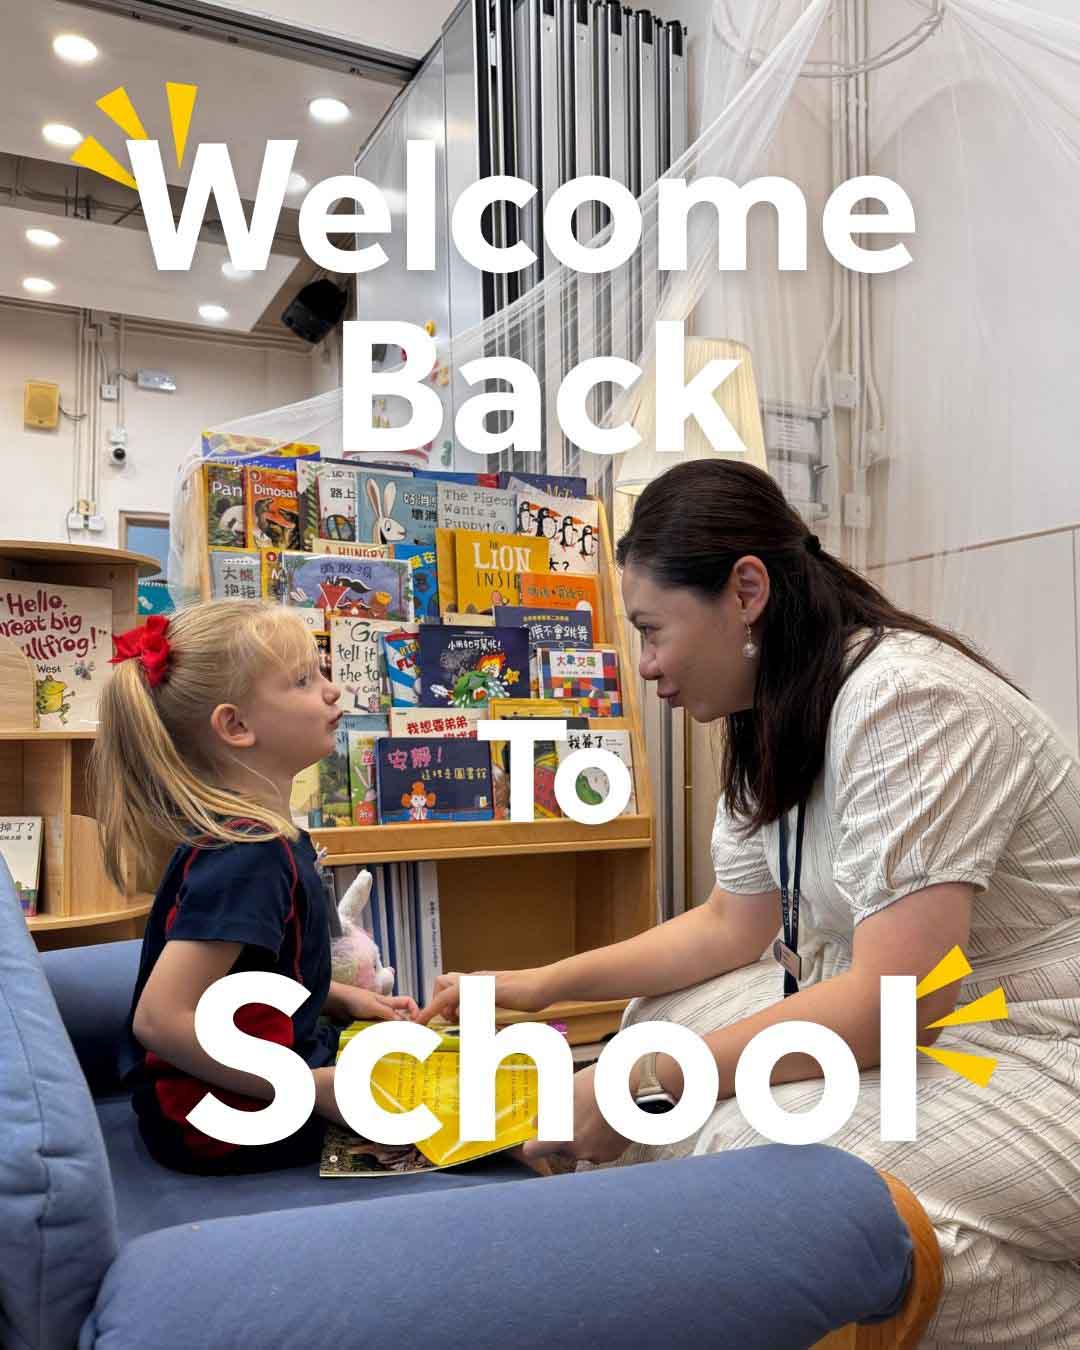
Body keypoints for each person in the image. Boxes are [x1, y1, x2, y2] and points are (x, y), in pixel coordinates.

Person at [418, 459, 1080, 1347]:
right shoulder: (774, 707)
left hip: (1027, 1042)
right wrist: (535, 986)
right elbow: (735, 924)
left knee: (755, 1165)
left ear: (746, 591)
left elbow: (903, 1003)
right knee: (659, 1023)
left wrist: (632, 1082)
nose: (647, 667)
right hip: (915, 1016)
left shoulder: (909, 701)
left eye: (652, 632)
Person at [93, 601, 417, 1174]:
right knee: (459, 1105)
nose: (332, 690)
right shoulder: (249, 855)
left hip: (251, 1082)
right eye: (303, 680)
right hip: (218, 1119)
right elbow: (160, 1019)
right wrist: (310, 1087)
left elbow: (250, 973)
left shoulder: (257, 838)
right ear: (236, 726)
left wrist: (339, 997)